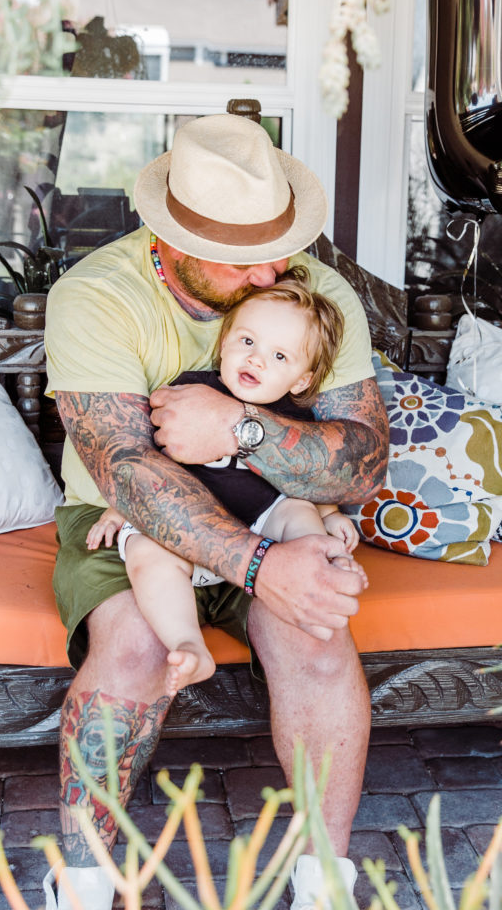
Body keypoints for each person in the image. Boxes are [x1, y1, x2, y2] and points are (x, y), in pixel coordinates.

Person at [42, 112, 389, 910]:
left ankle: (324, 897)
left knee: (318, 636)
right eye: (242, 258)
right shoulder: (98, 293)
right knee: (133, 643)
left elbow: (362, 463)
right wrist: (260, 569)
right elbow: (125, 471)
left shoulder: (313, 294)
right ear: (171, 237)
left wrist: (240, 427)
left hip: (275, 509)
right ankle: (79, 897)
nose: (270, 274)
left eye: (277, 247)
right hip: (129, 518)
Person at [85, 270, 363, 697]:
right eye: (247, 342)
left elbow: (307, 476)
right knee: (145, 553)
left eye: (280, 356)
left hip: (262, 523)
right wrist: (118, 509)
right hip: (181, 527)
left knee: (299, 512)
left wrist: (329, 514)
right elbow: (143, 461)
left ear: (302, 380)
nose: (256, 360)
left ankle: (328, 565)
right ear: (224, 343)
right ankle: (187, 644)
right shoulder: (189, 391)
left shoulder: (295, 419)